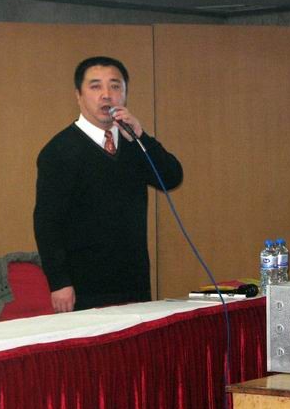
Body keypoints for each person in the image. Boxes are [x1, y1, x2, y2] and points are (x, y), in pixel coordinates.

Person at [33, 56, 183, 312]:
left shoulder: (133, 143)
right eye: (95, 86)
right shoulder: (59, 151)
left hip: (134, 281)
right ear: (78, 95)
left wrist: (141, 136)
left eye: (115, 86)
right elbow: (47, 222)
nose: (106, 94)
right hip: (83, 286)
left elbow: (171, 178)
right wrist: (59, 282)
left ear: (125, 94)